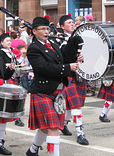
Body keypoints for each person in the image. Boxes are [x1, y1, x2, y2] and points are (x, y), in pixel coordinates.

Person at [26, 17, 80, 156]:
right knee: (53, 128)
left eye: (47, 29)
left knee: (46, 128)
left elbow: (62, 60)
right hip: (42, 92)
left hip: (58, 92)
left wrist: (75, 57)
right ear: (34, 31)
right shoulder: (33, 49)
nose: (46, 31)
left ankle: (32, 150)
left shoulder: (54, 44)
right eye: (42, 29)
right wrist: (68, 67)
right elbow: (45, 68)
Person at [59, 15, 89, 145]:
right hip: (67, 75)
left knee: (72, 105)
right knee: (75, 104)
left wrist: (81, 57)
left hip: (78, 74)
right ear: (62, 26)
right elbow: (64, 57)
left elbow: (80, 56)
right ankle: (80, 134)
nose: (72, 24)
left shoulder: (78, 38)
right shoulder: (59, 40)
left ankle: (64, 124)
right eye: (69, 22)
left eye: (73, 22)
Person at [0, 33, 25, 127]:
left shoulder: (11, 51)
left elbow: (15, 62)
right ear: (1, 42)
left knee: (16, 96)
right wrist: (7, 65)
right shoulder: (1, 53)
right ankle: (15, 117)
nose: (9, 43)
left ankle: (16, 116)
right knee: (11, 96)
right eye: (7, 41)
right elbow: (0, 65)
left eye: (10, 41)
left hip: (14, 76)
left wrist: (20, 65)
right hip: (7, 77)